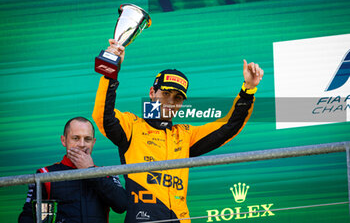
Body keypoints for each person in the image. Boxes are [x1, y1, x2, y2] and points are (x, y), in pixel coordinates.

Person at [92, 39, 264, 223]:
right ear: (152, 93)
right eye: (165, 93)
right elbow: (103, 117)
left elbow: (228, 127)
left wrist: (248, 89)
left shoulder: (185, 135)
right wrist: (110, 67)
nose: (171, 102)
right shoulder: (132, 126)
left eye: (178, 97)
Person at [18, 117, 127, 223]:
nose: (82, 144)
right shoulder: (45, 174)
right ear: (64, 140)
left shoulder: (106, 173)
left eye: (87, 139)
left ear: (93, 142)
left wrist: (91, 171)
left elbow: (122, 205)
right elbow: (28, 217)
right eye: (76, 138)